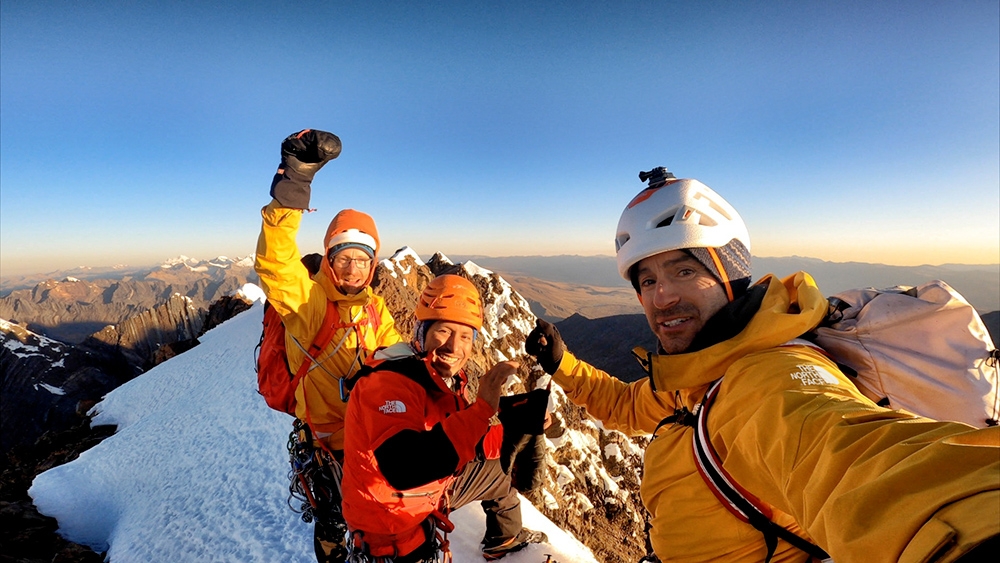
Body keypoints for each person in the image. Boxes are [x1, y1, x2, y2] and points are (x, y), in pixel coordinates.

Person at [524, 167, 1000, 563]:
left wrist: (975, 524)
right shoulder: (698, 371)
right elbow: (630, 406)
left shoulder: (768, 377)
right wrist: (564, 365)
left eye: (684, 270)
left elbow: (860, 460)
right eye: (646, 280)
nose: (661, 297)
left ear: (729, 275)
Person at [255, 129, 404, 562]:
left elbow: (399, 357)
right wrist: (293, 187)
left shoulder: (376, 308)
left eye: (362, 259)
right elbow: (276, 263)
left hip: (369, 436)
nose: (354, 269)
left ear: (373, 264)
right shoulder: (310, 304)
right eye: (344, 258)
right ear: (330, 260)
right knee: (334, 521)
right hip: (326, 442)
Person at [341, 274, 547, 562]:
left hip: (417, 501)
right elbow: (404, 467)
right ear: (421, 331)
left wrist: (511, 427)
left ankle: (504, 540)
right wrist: (482, 409)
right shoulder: (388, 383)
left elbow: (455, 437)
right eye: (444, 331)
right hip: (389, 522)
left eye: (465, 336)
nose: (454, 346)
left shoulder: (435, 375)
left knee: (499, 475)